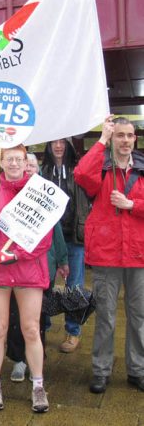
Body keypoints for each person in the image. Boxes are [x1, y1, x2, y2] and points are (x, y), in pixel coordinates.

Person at [0, 144, 52, 413]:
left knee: (31, 328)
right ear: (1, 162)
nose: (15, 164)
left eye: (19, 159)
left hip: (27, 269)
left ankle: (38, 385)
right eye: (10, 159)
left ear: (26, 161)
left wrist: (16, 255)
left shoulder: (38, 193)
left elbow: (44, 240)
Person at [74, 116, 144, 394]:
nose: (125, 140)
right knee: (106, 317)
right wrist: (101, 139)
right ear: (113, 139)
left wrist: (132, 204)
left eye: (129, 135)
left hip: (138, 255)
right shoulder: (102, 168)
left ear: (135, 139)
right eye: (120, 136)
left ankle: (137, 370)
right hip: (106, 255)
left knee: (139, 316)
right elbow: (80, 174)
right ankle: (101, 371)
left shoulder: (142, 168)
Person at [6, 153, 69, 382]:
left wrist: (62, 260)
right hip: (13, 267)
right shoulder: (12, 193)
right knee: (14, 316)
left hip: (43, 266)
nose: (29, 169)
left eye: (33, 165)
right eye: (27, 165)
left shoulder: (45, 196)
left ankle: (36, 361)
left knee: (37, 318)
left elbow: (57, 232)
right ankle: (18, 359)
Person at [42, 138, 90, 353]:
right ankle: (44, 323)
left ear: (69, 146)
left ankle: (73, 331)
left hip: (74, 235)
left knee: (74, 285)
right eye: (54, 142)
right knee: (45, 282)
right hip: (50, 237)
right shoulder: (43, 172)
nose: (58, 146)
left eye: (63, 142)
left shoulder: (78, 170)